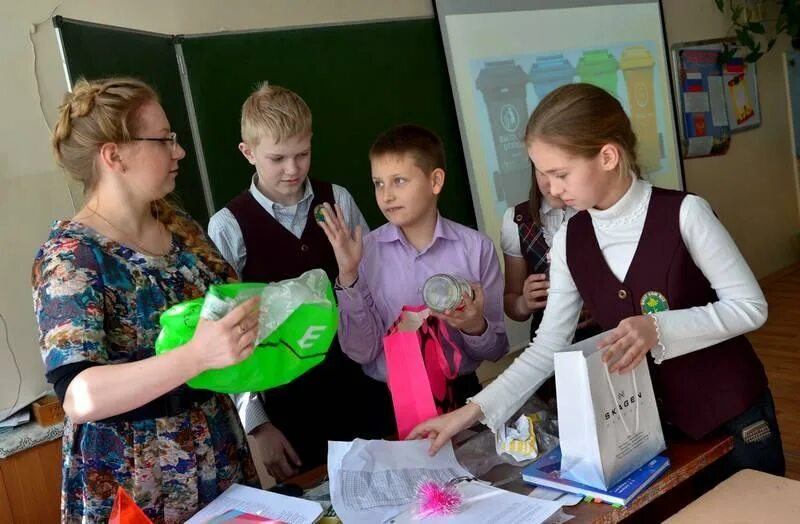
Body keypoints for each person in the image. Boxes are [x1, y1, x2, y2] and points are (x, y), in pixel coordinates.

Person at [410, 83, 784, 483]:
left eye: (560, 173)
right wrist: (469, 413)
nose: (549, 188)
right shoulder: (572, 238)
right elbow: (547, 347)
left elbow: (749, 306)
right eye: (541, 172)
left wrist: (657, 328)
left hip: (734, 415)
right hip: (650, 426)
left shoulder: (684, 213)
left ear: (608, 155)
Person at [33, 77, 260, 523]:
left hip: (216, 453)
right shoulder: (72, 257)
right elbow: (80, 394)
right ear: (113, 155)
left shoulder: (182, 230)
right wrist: (196, 356)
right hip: (132, 483)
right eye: (164, 140)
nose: (179, 151)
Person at [208, 83, 394, 481]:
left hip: (361, 384)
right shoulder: (228, 227)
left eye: (302, 155)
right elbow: (224, 334)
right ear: (248, 152)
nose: (292, 169)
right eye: (277, 158)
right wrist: (257, 425)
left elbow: (375, 289)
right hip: (289, 407)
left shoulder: (337, 201)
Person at [318, 124, 509, 409]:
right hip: (388, 400)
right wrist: (348, 276)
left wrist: (473, 326)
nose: (386, 195)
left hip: (461, 396)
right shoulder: (365, 253)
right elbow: (362, 352)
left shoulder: (476, 248)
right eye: (378, 183)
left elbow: (497, 350)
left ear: (435, 182)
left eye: (399, 181)